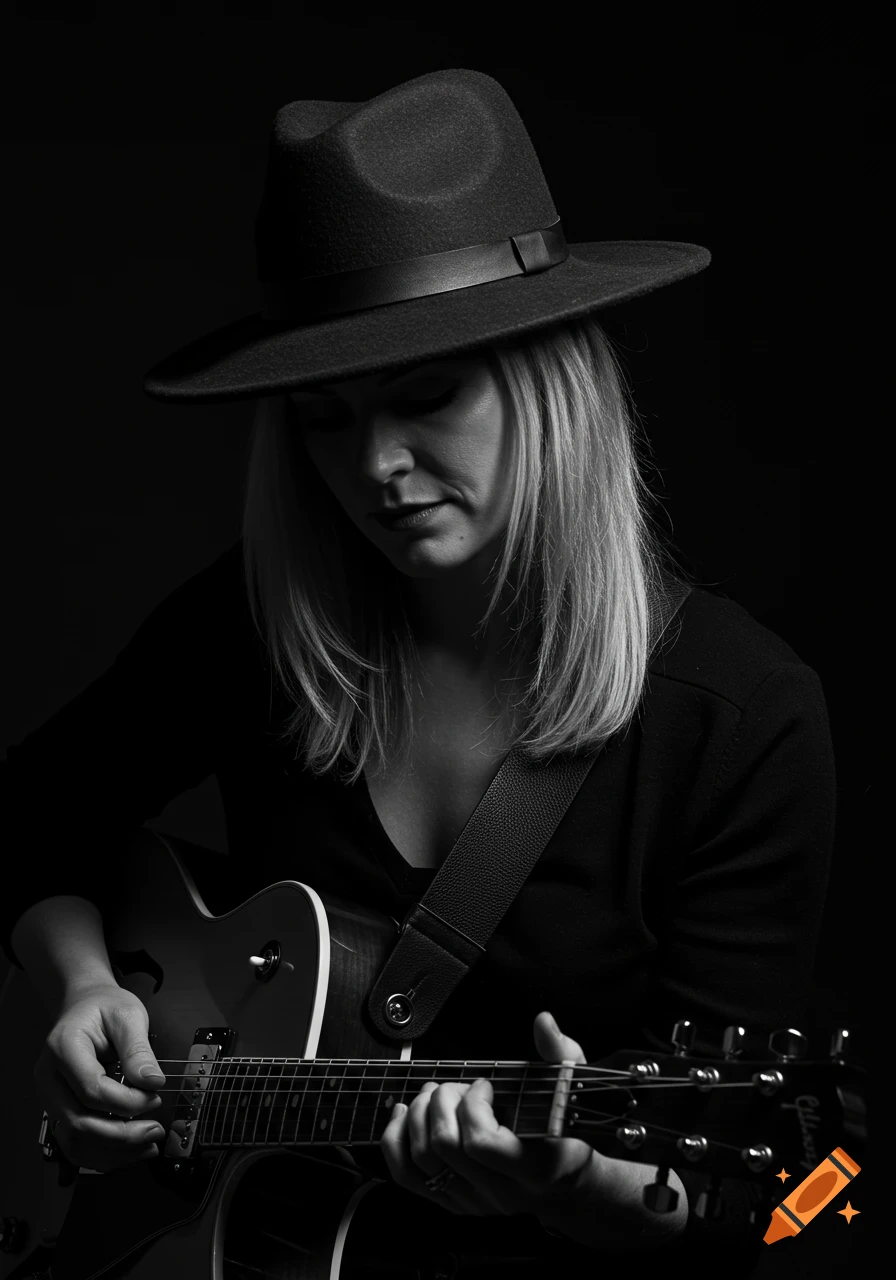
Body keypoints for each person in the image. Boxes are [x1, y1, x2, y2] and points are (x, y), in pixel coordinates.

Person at [1, 69, 835, 1270]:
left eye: (425, 393)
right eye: (324, 417)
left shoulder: (742, 716)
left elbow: (763, 1195)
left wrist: (570, 1177)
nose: (375, 464)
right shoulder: (259, 624)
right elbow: (29, 814)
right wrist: (81, 987)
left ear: (549, 375)